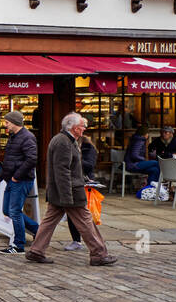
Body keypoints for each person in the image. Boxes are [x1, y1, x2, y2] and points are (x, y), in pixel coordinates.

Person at [24, 113, 117, 267]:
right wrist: (67, 198)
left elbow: (69, 169)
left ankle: (36, 251)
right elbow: (62, 171)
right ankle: (99, 254)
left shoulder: (65, 140)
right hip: (69, 192)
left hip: (63, 191)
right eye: (82, 126)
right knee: (86, 222)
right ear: (74, 128)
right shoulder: (63, 142)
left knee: (49, 221)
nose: (84, 129)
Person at [0, 111, 39, 254]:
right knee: (7, 210)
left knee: (14, 211)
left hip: (21, 180)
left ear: (14, 123)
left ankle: (18, 245)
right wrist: (0, 178)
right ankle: (38, 230)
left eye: (7, 122)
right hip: (11, 179)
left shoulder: (27, 137)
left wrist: (16, 177)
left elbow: (31, 159)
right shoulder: (13, 137)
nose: (5, 125)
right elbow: (8, 161)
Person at [64, 134, 100, 252]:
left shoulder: (88, 149)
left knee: (82, 215)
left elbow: (89, 165)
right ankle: (78, 240)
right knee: (73, 214)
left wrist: (76, 158)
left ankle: (87, 242)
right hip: (75, 183)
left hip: (84, 185)